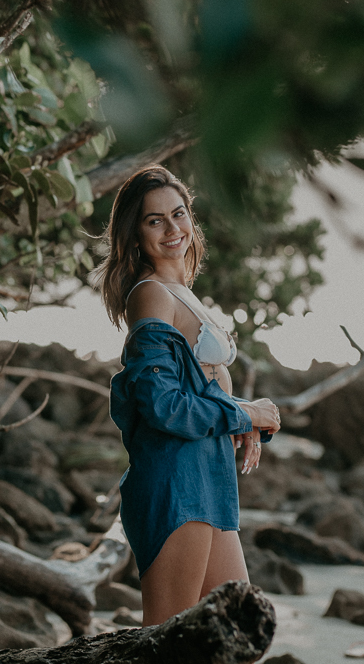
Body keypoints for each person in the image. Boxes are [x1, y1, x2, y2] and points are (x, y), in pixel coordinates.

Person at [92, 164, 282, 626]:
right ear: (135, 235)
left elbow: (197, 388)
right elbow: (161, 405)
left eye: (178, 214)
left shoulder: (182, 293)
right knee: (168, 644)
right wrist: (245, 415)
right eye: (154, 220)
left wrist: (244, 420)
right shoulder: (151, 295)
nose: (172, 228)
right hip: (176, 481)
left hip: (211, 477)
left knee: (237, 635)